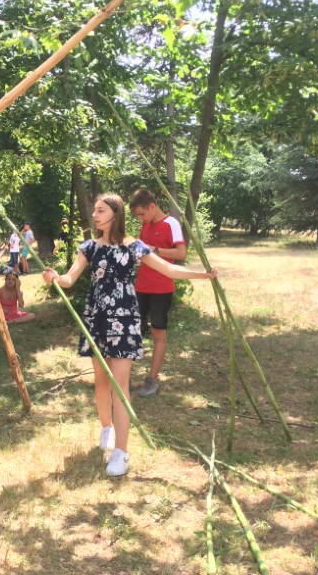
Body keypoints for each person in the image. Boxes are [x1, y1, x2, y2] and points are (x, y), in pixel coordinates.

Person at [42, 194, 217, 477]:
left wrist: (204, 275)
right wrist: (55, 278)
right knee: (101, 381)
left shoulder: (135, 246)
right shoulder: (89, 247)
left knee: (120, 385)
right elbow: (69, 278)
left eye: (101, 210)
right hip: (97, 319)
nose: (95, 215)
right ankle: (106, 428)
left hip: (124, 319)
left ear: (116, 214)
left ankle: (121, 453)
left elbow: (169, 268)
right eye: (94, 210)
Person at [129, 189, 187, 398]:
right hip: (141, 286)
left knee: (158, 333)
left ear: (152, 206)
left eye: (142, 214)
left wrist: (154, 250)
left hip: (162, 288)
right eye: (137, 216)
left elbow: (181, 253)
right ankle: (124, 375)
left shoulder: (171, 223)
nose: (140, 218)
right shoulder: (146, 224)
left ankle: (152, 379)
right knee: (130, 330)